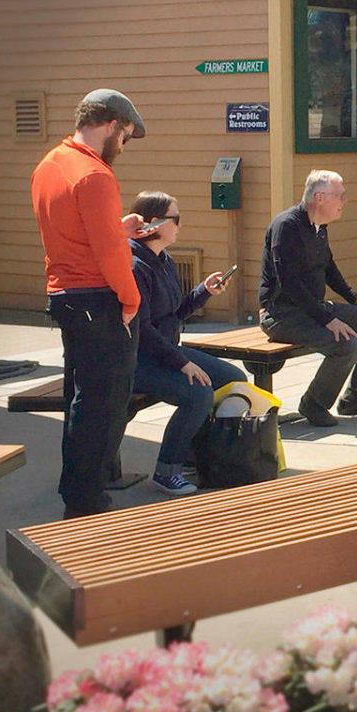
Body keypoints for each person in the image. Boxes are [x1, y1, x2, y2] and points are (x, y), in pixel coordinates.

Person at [31, 88, 149, 518]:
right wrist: (131, 298)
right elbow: (109, 256)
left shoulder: (50, 164)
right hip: (99, 301)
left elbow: (75, 232)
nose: (124, 147)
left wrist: (118, 228)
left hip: (65, 296)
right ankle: (85, 503)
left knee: (81, 399)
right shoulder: (96, 174)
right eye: (126, 136)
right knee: (105, 404)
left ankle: (75, 491)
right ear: (112, 124)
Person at [259, 170, 357, 427]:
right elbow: (288, 283)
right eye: (340, 196)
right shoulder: (286, 227)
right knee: (347, 344)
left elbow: (328, 267)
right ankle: (313, 404)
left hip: (313, 308)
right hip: (281, 315)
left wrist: (356, 298)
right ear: (320, 197)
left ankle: (355, 396)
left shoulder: (319, 227)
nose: (344, 201)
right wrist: (328, 319)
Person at [129, 191, 246, 495]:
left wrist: (204, 291)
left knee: (233, 379)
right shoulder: (133, 266)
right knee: (198, 394)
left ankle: (195, 453)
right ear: (152, 224)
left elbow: (174, 313)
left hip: (165, 351)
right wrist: (183, 362)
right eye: (175, 218)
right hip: (138, 360)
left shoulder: (163, 259)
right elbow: (143, 330)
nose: (181, 224)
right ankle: (166, 471)